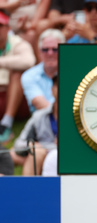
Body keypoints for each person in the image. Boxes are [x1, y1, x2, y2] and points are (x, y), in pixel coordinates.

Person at [10, 75, 58, 176]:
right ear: (51, 90)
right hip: (39, 157)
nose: (60, 89)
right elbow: (18, 145)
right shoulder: (39, 116)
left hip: (64, 159)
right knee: (12, 154)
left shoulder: (77, 118)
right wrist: (33, 146)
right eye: (57, 85)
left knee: (39, 153)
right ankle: (28, 190)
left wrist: (44, 147)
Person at [0, 11, 36, 143]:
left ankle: (6, 124)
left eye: (0, 26)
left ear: (8, 28)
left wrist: (2, 63)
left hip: (16, 101)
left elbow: (29, 61)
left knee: (18, 74)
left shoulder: (17, 42)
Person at [21, 28, 65, 113]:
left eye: (55, 49)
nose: (50, 53)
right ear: (39, 52)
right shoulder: (29, 75)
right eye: (45, 49)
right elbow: (40, 105)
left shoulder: (71, 74)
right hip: (44, 122)